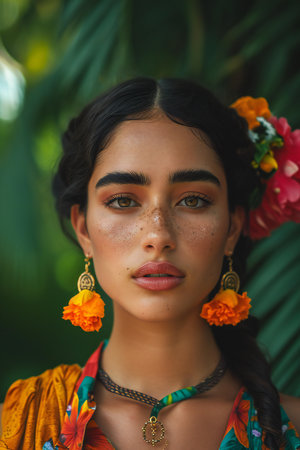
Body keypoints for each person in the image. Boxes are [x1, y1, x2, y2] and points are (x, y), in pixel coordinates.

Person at [0, 78, 299, 450]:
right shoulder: (24, 424)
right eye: (124, 201)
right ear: (84, 230)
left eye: (192, 200)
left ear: (232, 228)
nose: (158, 234)